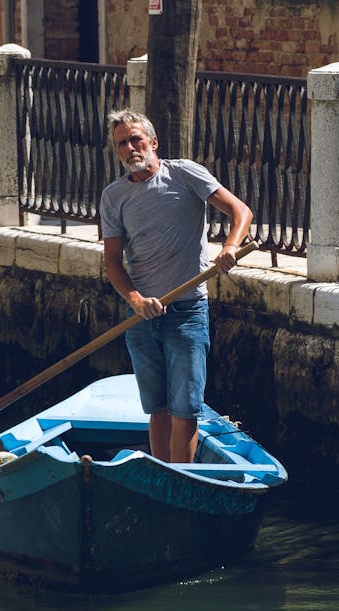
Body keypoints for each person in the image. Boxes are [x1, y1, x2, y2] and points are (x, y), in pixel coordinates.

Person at [100, 110, 253, 464]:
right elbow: (112, 261)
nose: (130, 147)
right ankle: (161, 475)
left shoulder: (184, 173)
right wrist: (135, 299)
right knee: (158, 408)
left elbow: (240, 211)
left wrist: (230, 247)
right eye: (122, 143)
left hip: (187, 312)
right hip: (140, 317)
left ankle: (179, 478)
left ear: (153, 142)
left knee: (185, 410)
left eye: (136, 139)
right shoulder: (113, 197)